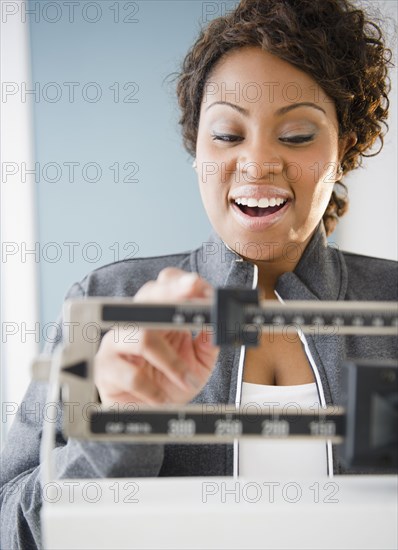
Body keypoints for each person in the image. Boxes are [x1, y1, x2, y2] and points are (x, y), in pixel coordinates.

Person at [1, 0, 397, 548]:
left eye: (299, 135)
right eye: (228, 135)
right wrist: (120, 424)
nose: (258, 163)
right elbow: (13, 527)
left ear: (344, 148)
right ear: (197, 150)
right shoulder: (99, 305)